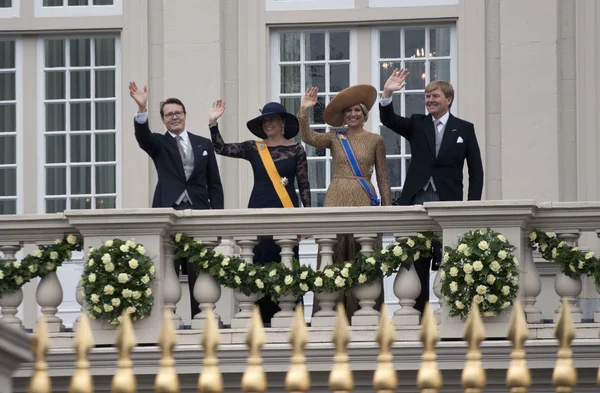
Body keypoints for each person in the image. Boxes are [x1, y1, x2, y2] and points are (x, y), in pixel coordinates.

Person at [379, 69, 484, 315]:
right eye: (427, 97)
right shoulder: (417, 124)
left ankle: (450, 314)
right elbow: (389, 120)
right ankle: (418, 315)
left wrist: (472, 205)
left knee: (450, 260)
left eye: (435, 96)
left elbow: (476, 171)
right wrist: (387, 93)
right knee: (416, 261)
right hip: (417, 199)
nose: (430, 101)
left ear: (448, 99)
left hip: (449, 201)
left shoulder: (464, 129)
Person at [208, 99, 310, 324]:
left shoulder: (295, 149)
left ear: (282, 122)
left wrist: (307, 217)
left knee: (287, 262)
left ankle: (290, 317)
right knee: (260, 263)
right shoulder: (254, 148)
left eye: (272, 119)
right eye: (265, 120)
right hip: (259, 210)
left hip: (287, 212)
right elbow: (221, 148)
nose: (268, 124)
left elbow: (304, 185)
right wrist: (213, 123)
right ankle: (261, 319)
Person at [128, 81, 224, 320]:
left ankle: (200, 320)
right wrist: (141, 109)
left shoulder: (203, 144)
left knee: (198, 270)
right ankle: (164, 321)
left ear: (185, 115)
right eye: (169, 114)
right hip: (168, 214)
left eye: (178, 113)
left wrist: (217, 216)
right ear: (163, 120)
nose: (174, 117)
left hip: (199, 214)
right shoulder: (159, 143)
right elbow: (143, 137)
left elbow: (215, 184)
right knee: (166, 269)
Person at [299, 85, 392, 319]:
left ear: (364, 114)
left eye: (357, 111)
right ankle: (331, 312)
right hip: (337, 197)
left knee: (364, 253)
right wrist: (304, 112)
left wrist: (389, 210)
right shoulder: (334, 137)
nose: (353, 114)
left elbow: (382, 177)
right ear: (344, 115)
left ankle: (364, 311)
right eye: (349, 111)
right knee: (334, 252)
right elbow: (308, 137)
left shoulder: (375, 140)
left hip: (364, 197)